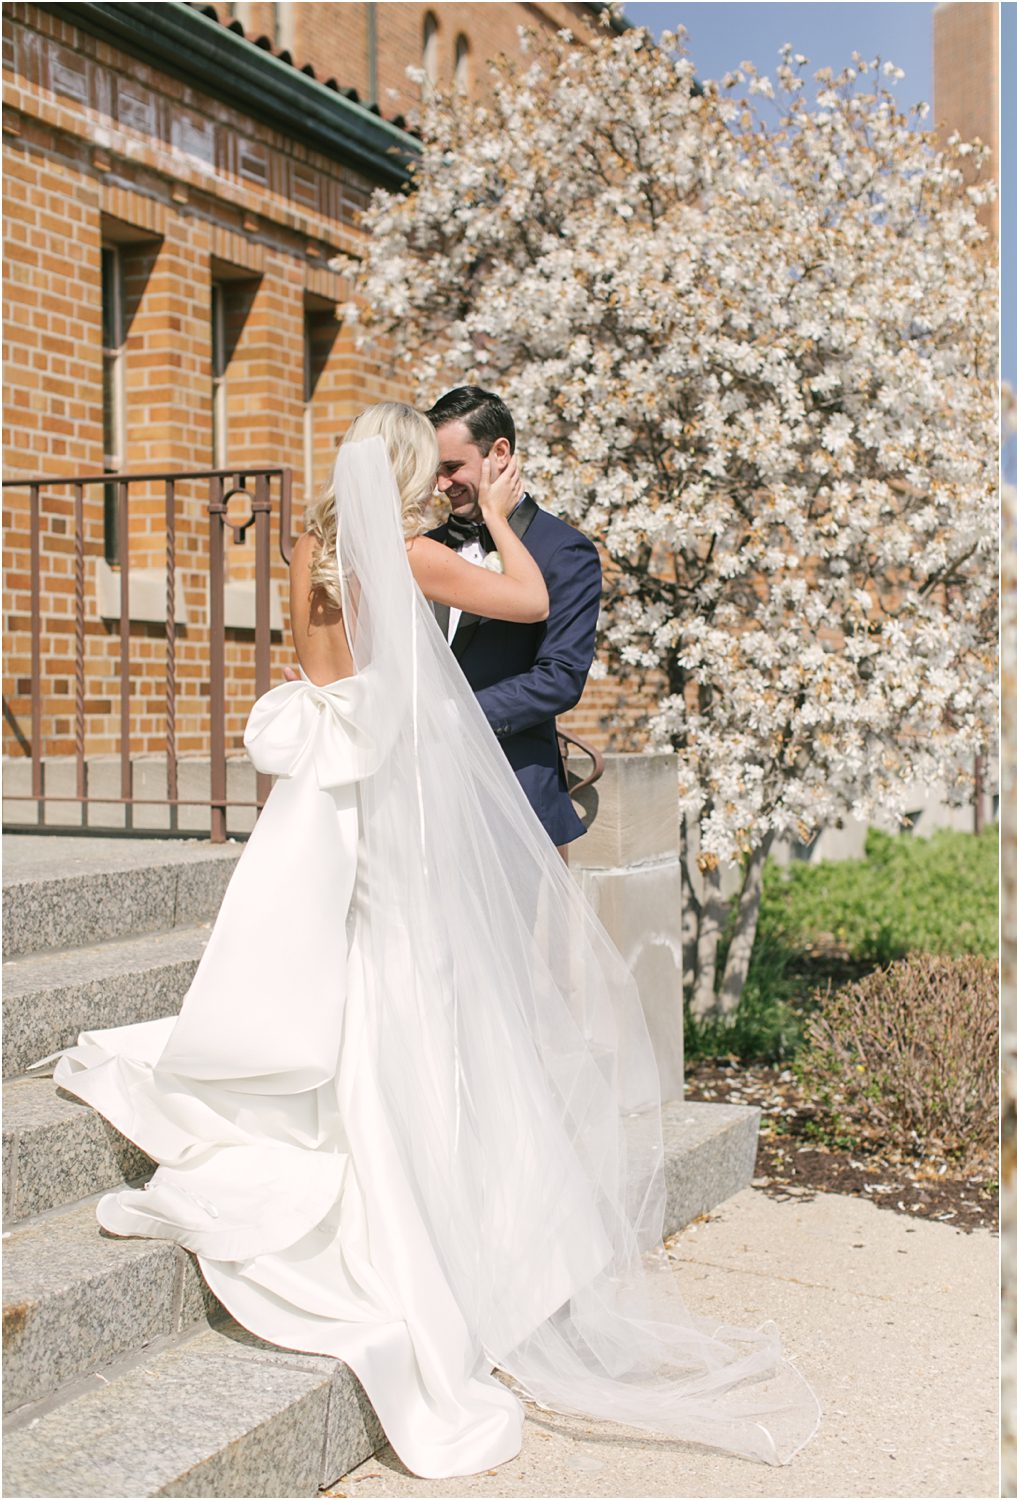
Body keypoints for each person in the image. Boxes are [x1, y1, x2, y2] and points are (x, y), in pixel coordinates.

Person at [50, 404, 819, 1478]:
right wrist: (501, 519)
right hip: (390, 783)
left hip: (324, 778)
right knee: (408, 975)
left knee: (338, 956)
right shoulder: (403, 551)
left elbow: (328, 667)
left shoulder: (308, 544)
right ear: (407, 476)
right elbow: (530, 600)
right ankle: (414, 1191)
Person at [423, 387, 601, 858]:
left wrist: (453, 716)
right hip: (421, 790)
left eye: (452, 467)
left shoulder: (564, 551)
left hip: (513, 790)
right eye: (435, 470)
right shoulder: (425, 548)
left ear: (499, 453)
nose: (441, 485)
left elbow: (560, 679)